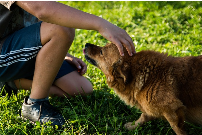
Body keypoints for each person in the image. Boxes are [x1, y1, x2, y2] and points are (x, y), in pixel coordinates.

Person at [0, 1, 136, 126]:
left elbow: (43, 13)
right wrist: (101, 25)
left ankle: (12, 82)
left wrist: (60, 52)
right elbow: (41, 9)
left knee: (80, 88)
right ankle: (35, 104)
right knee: (62, 29)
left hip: (18, 46)